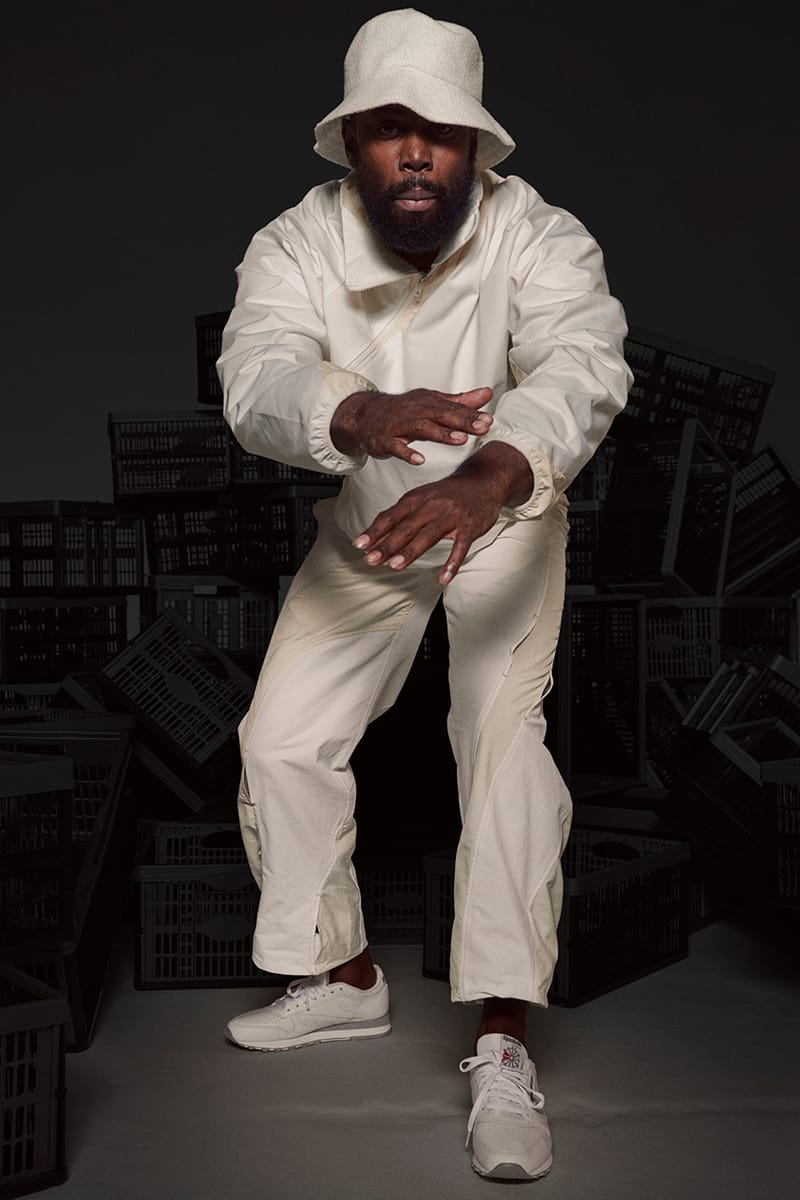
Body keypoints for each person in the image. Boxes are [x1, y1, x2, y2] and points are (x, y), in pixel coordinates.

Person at [218, 7, 632, 1183]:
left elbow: (582, 364)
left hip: (502, 519)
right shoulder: (295, 241)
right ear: (350, 144)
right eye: (387, 129)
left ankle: (501, 1041)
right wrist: (352, 412)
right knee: (280, 738)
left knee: (498, 748)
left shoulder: (538, 234)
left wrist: (488, 477)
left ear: (474, 147)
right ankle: (345, 974)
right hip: (368, 521)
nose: (413, 153)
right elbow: (256, 372)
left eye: (439, 132)